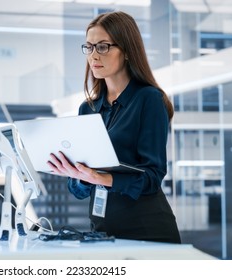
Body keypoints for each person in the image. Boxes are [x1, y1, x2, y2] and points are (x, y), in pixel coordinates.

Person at [48, 11, 181, 244]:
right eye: (89, 47)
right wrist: (78, 177)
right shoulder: (87, 109)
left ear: (127, 51)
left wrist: (100, 177)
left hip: (147, 230)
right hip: (102, 230)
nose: (93, 55)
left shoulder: (149, 99)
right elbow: (79, 191)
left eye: (103, 47)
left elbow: (152, 177)